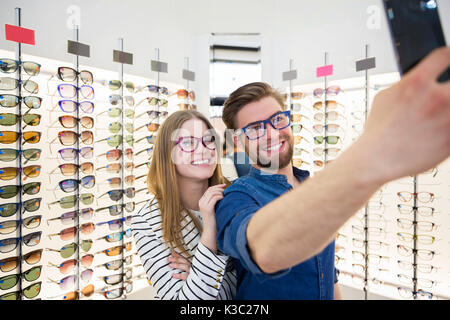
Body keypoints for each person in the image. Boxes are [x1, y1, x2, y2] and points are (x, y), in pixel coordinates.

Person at [215, 47, 450, 299]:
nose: (272, 133)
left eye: (278, 120)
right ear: (238, 142)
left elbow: (326, 272)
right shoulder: (235, 198)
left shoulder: (307, 184)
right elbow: (265, 250)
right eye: (256, 128)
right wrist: (373, 153)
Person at [131, 110, 237, 300]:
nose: (203, 149)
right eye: (188, 142)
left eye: (208, 139)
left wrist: (197, 274)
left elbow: (257, 283)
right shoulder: (147, 221)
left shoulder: (235, 196)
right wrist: (209, 230)